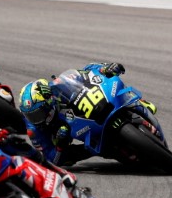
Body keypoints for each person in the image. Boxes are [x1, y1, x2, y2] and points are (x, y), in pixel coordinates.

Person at [18, 62, 156, 167]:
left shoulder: (56, 86)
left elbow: (87, 71)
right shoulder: (33, 129)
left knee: (112, 87)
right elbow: (50, 159)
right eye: (32, 115)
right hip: (67, 133)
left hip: (85, 107)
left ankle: (138, 103)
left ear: (49, 101)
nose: (37, 119)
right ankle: (99, 150)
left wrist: (104, 68)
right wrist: (61, 144)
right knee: (75, 156)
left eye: (39, 113)